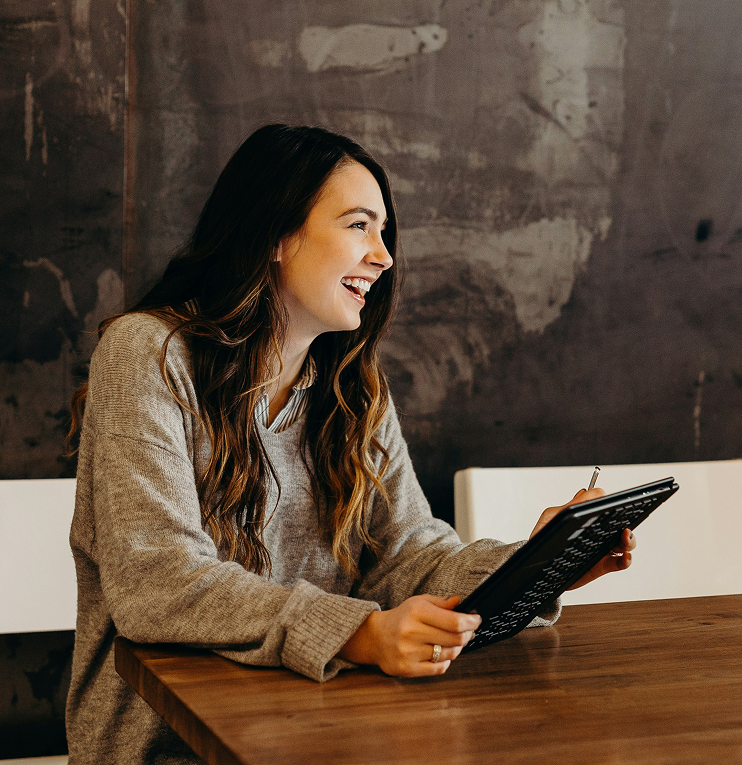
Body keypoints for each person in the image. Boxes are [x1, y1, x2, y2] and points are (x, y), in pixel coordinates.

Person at [65, 124, 635, 765]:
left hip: (323, 734)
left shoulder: (354, 390)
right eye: (360, 225)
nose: (384, 256)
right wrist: (360, 633)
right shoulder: (149, 354)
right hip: (170, 750)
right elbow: (159, 584)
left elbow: (409, 559)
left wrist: (536, 566)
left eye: (384, 233)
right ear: (277, 235)